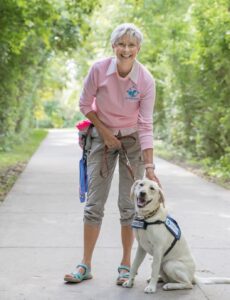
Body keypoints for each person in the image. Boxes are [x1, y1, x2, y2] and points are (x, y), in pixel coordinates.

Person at [64, 23, 160, 285]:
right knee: (94, 203)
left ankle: (126, 265)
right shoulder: (98, 70)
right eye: (121, 44)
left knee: (129, 206)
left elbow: (146, 124)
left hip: (132, 141)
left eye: (131, 45)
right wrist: (105, 133)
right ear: (113, 46)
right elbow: (85, 104)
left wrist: (149, 166)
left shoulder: (145, 80)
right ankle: (85, 264)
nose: (126, 49)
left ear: (138, 48)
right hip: (100, 138)